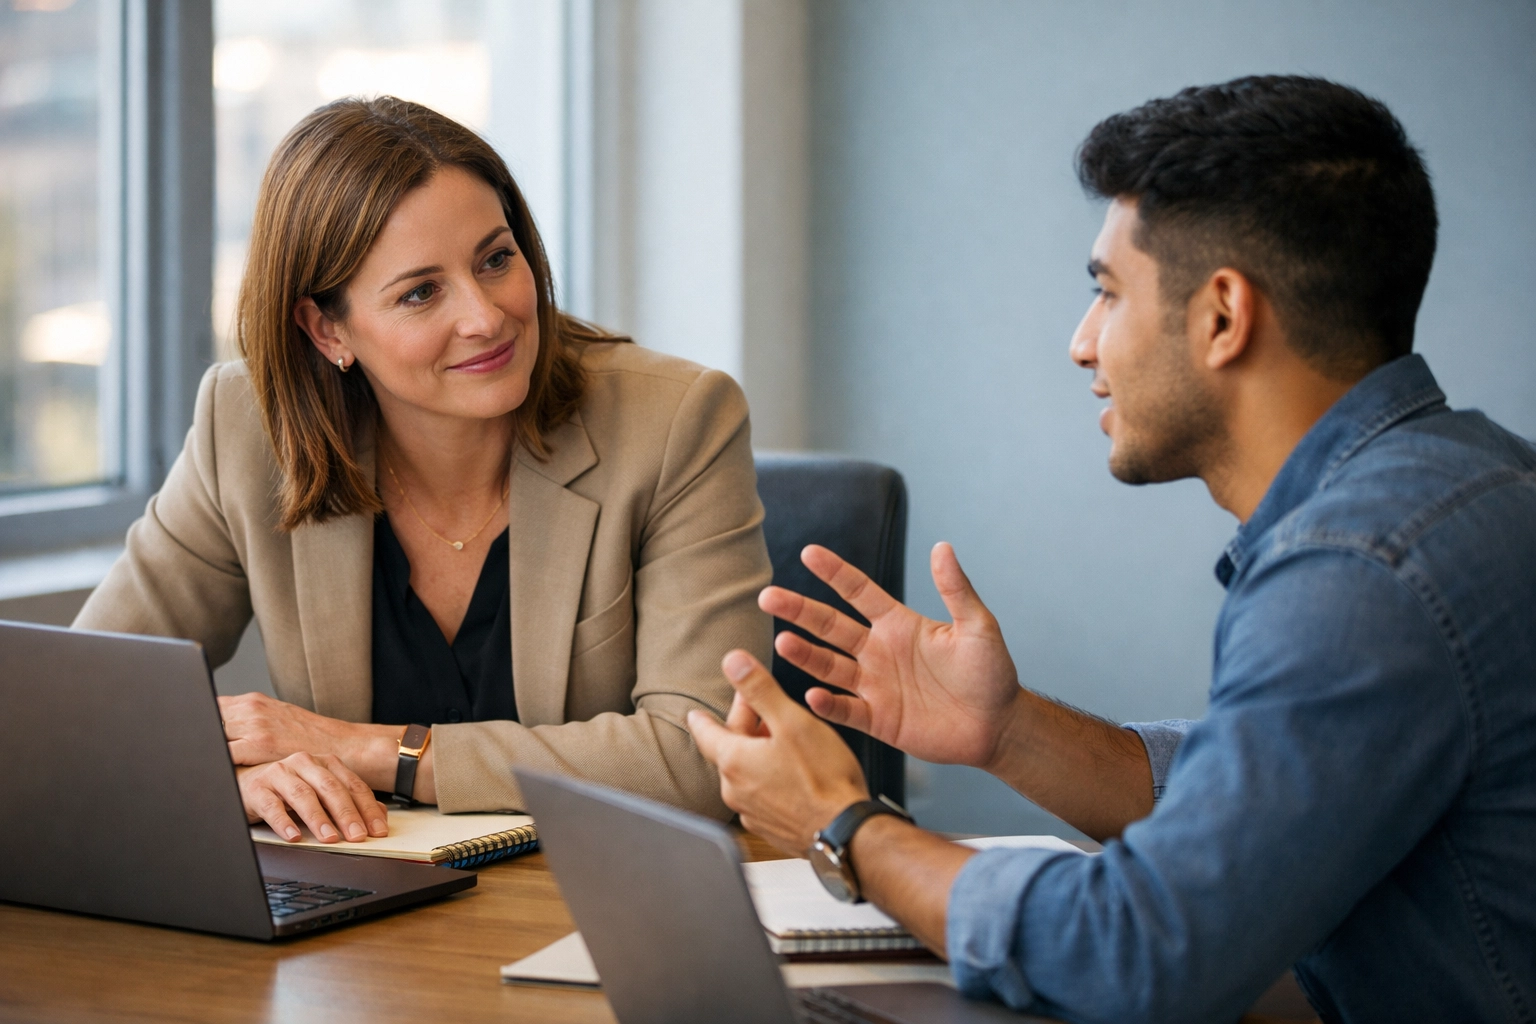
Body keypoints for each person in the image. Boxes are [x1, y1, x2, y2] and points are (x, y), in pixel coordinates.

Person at [686, 75, 1536, 1023]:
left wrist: (842, 826)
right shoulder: (1462, 479)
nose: (1082, 344)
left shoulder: (1363, 571)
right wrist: (1004, 729)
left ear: (1222, 316)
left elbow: (1139, 954)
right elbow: (1246, 810)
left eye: (1106, 292)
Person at [76, 97, 772, 846]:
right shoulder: (248, 430)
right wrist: (228, 780)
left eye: (496, 259)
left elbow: (705, 761)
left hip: (603, 903)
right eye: (420, 292)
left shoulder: (674, 423)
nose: (487, 316)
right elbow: (83, 703)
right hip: (363, 924)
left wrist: (367, 751)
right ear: (327, 328)